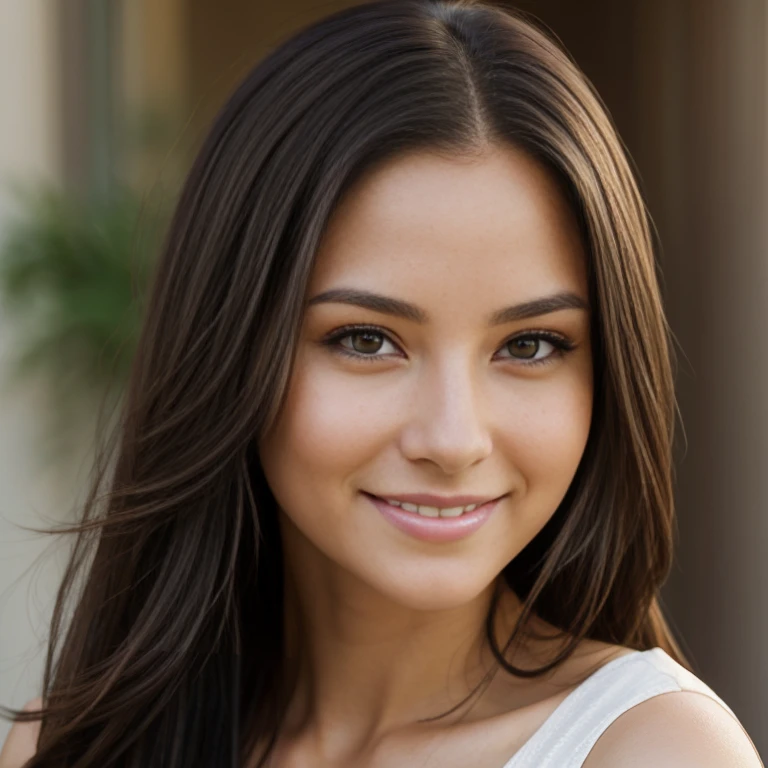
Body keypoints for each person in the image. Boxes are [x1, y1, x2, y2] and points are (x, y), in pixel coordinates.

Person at [0, 0, 762, 766]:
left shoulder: (653, 751)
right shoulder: (70, 747)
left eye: (530, 345)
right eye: (367, 341)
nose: (453, 439)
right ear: (230, 348)